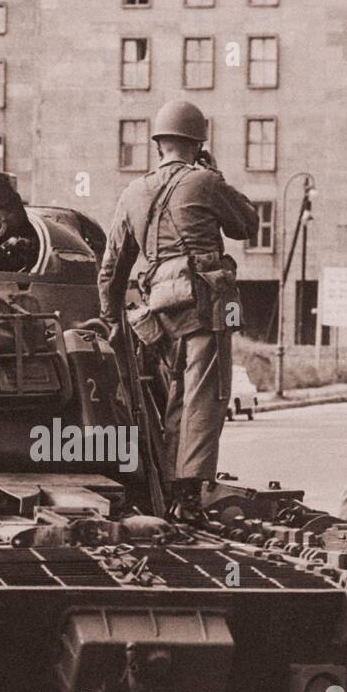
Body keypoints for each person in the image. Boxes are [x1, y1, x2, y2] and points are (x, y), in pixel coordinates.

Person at [97, 99, 258, 520]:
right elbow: (246, 224)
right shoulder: (204, 182)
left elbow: (111, 270)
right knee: (207, 395)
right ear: (197, 143)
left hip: (160, 309)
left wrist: (113, 323)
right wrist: (215, 174)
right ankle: (188, 497)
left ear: (159, 144)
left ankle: (170, 487)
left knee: (176, 399)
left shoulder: (133, 191)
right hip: (204, 304)